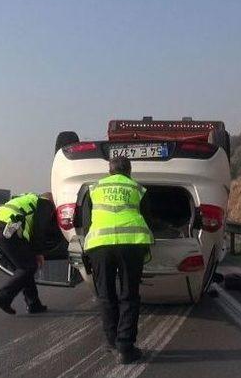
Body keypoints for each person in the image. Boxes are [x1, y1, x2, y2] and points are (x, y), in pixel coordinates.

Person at [85, 156, 153, 364]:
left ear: (109, 171)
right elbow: (147, 218)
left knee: (106, 295)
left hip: (100, 245)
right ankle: (125, 347)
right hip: (131, 244)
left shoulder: (94, 188)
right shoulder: (137, 189)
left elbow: (87, 219)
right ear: (129, 171)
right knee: (129, 295)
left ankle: (112, 343)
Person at [0, 192, 55, 315]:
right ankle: (2, 297)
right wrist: (39, 253)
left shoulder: (28, 199)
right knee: (28, 266)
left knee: (23, 269)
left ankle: (34, 304)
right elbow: (39, 230)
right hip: (8, 227)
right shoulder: (45, 204)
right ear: (53, 201)